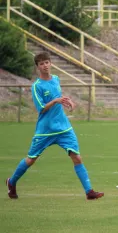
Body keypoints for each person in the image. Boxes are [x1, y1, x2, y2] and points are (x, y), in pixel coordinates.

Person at [5, 52, 104, 200]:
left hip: (64, 128)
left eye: (47, 62)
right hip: (45, 130)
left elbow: (58, 98)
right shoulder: (37, 86)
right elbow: (42, 108)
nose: (45, 66)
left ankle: (89, 192)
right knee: (31, 159)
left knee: (76, 157)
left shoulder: (56, 79)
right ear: (37, 67)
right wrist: (56, 101)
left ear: (50, 63)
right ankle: (11, 182)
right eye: (41, 64)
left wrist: (67, 101)